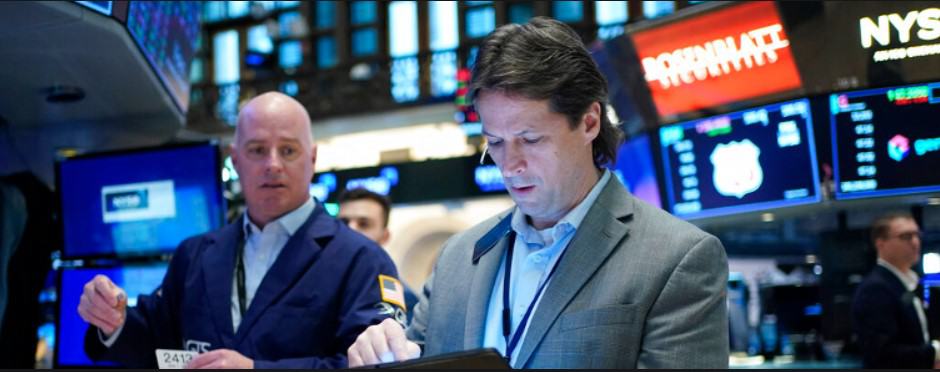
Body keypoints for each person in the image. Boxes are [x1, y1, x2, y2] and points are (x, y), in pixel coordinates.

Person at [347, 17, 729, 368]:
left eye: (530, 139)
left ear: (589, 122)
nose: (509, 165)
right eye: (494, 142)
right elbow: (418, 356)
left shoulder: (678, 258)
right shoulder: (459, 257)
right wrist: (384, 355)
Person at [77, 92, 406, 368]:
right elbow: (155, 343)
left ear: (313, 158)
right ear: (235, 160)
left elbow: (374, 365)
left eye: (288, 150)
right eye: (257, 150)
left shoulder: (362, 260)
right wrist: (111, 319)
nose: (273, 164)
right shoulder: (194, 255)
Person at [852, 211, 938, 368]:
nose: (915, 242)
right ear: (880, 243)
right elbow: (883, 354)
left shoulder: (912, 281)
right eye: (906, 236)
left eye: (917, 235)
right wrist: (934, 353)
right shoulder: (875, 288)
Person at [337, 188, 420, 321]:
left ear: (384, 237)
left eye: (364, 224)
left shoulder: (404, 299)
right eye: (343, 223)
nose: (350, 230)